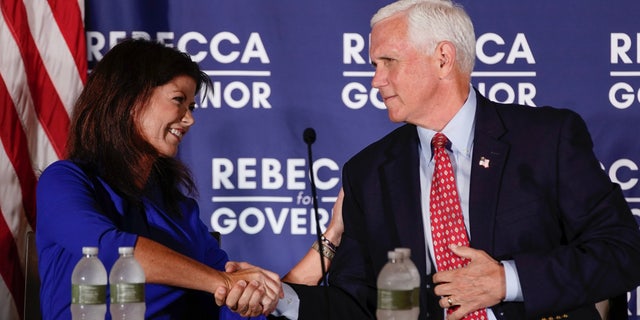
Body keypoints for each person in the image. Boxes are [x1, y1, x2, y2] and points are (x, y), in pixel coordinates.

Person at [243, 0, 640, 319]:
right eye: (373, 65)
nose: (375, 80)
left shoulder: (545, 138)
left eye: (388, 62)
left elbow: (623, 251)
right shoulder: (368, 172)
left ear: (443, 59)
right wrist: (283, 298)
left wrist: (508, 280)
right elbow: (359, 302)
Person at [36, 38, 284, 319]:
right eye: (179, 101)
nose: (189, 119)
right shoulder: (64, 181)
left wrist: (330, 238)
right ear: (129, 99)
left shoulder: (181, 209)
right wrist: (221, 281)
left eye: (192, 107)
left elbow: (232, 297)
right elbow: (110, 250)